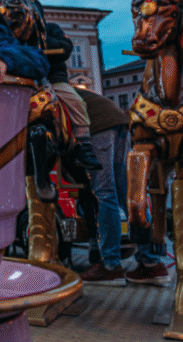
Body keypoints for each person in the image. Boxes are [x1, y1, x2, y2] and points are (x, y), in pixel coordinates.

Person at [76, 87, 169, 286]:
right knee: (128, 192)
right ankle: (151, 263)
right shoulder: (74, 90)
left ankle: (111, 267)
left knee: (105, 193)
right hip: (120, 122)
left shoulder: (46, 90)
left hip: (98, 126)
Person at [37, 2, 101, 169]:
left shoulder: (51, 29)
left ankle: (83, 142)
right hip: (27, 78)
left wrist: (40, 37)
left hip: (53, 78)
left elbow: (65, 48)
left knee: (76, 101)